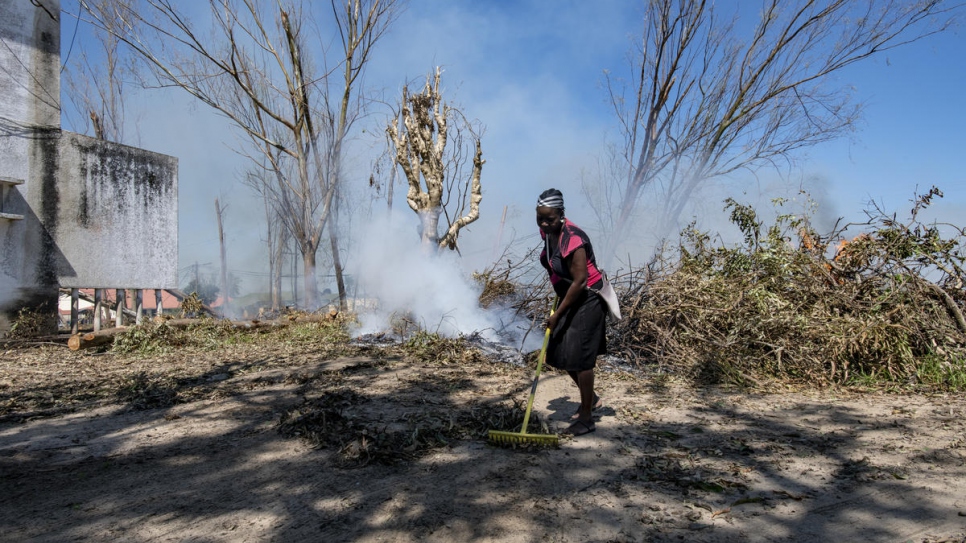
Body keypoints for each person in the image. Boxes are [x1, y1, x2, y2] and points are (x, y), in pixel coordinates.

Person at [536, 188, 606, 436]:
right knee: (560, 353)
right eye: (540, 218)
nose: (544, 223)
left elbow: (580, 281)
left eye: (550, 219)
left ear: (561, 214)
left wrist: (557, 314)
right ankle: (593, 398)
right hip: (569, 294)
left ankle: (586, 417)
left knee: (581, 358)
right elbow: (554, 266)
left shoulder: (574, 239)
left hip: (588, 298)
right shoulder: (547, 233)